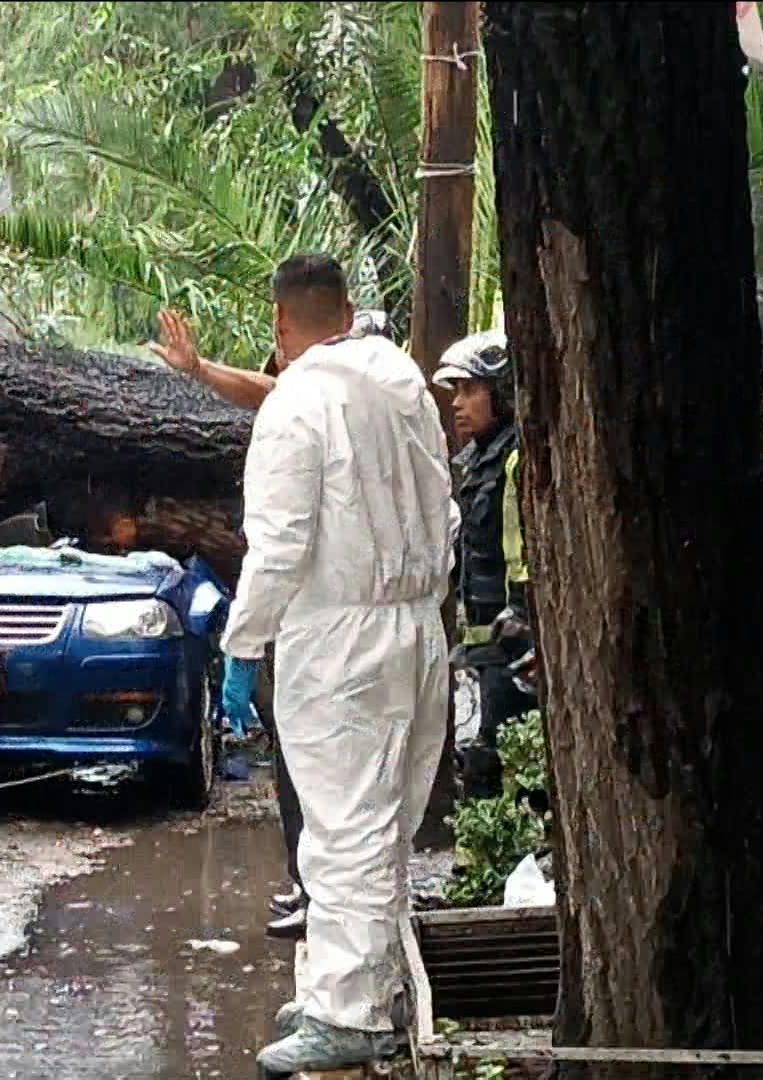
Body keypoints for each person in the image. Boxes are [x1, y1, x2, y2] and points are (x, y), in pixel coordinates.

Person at [219, 256, 454, 1074]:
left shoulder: (294, 402)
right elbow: (445, 508)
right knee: (383, 824)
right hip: (418, 628)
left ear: (281, 327)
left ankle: (348, 1013)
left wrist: (243, 645)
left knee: (341, 829)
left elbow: (279, 545)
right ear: (348, 312)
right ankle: (353, 985)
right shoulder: (404, 381)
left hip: (339, 638)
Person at [151, 306, 388, 940]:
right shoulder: (323, 403)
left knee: (339, 781)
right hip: (314, 623)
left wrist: (244, 644)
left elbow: (279, 550)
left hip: (337, 625)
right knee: (301, 769)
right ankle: (311, 886)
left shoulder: (363, 408)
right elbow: (269, 390)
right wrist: (199, 370)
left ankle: (335, 910)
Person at [431, 329, 537, 799]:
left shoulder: (520, 458)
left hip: (517, 649)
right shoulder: (479, 461)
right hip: (486, 650)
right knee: (483, 766)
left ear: (503, 393)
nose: (458, 403)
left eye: (470, 390)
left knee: (504, 774)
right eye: (456, 391)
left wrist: (526, 624)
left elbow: (525, 557)